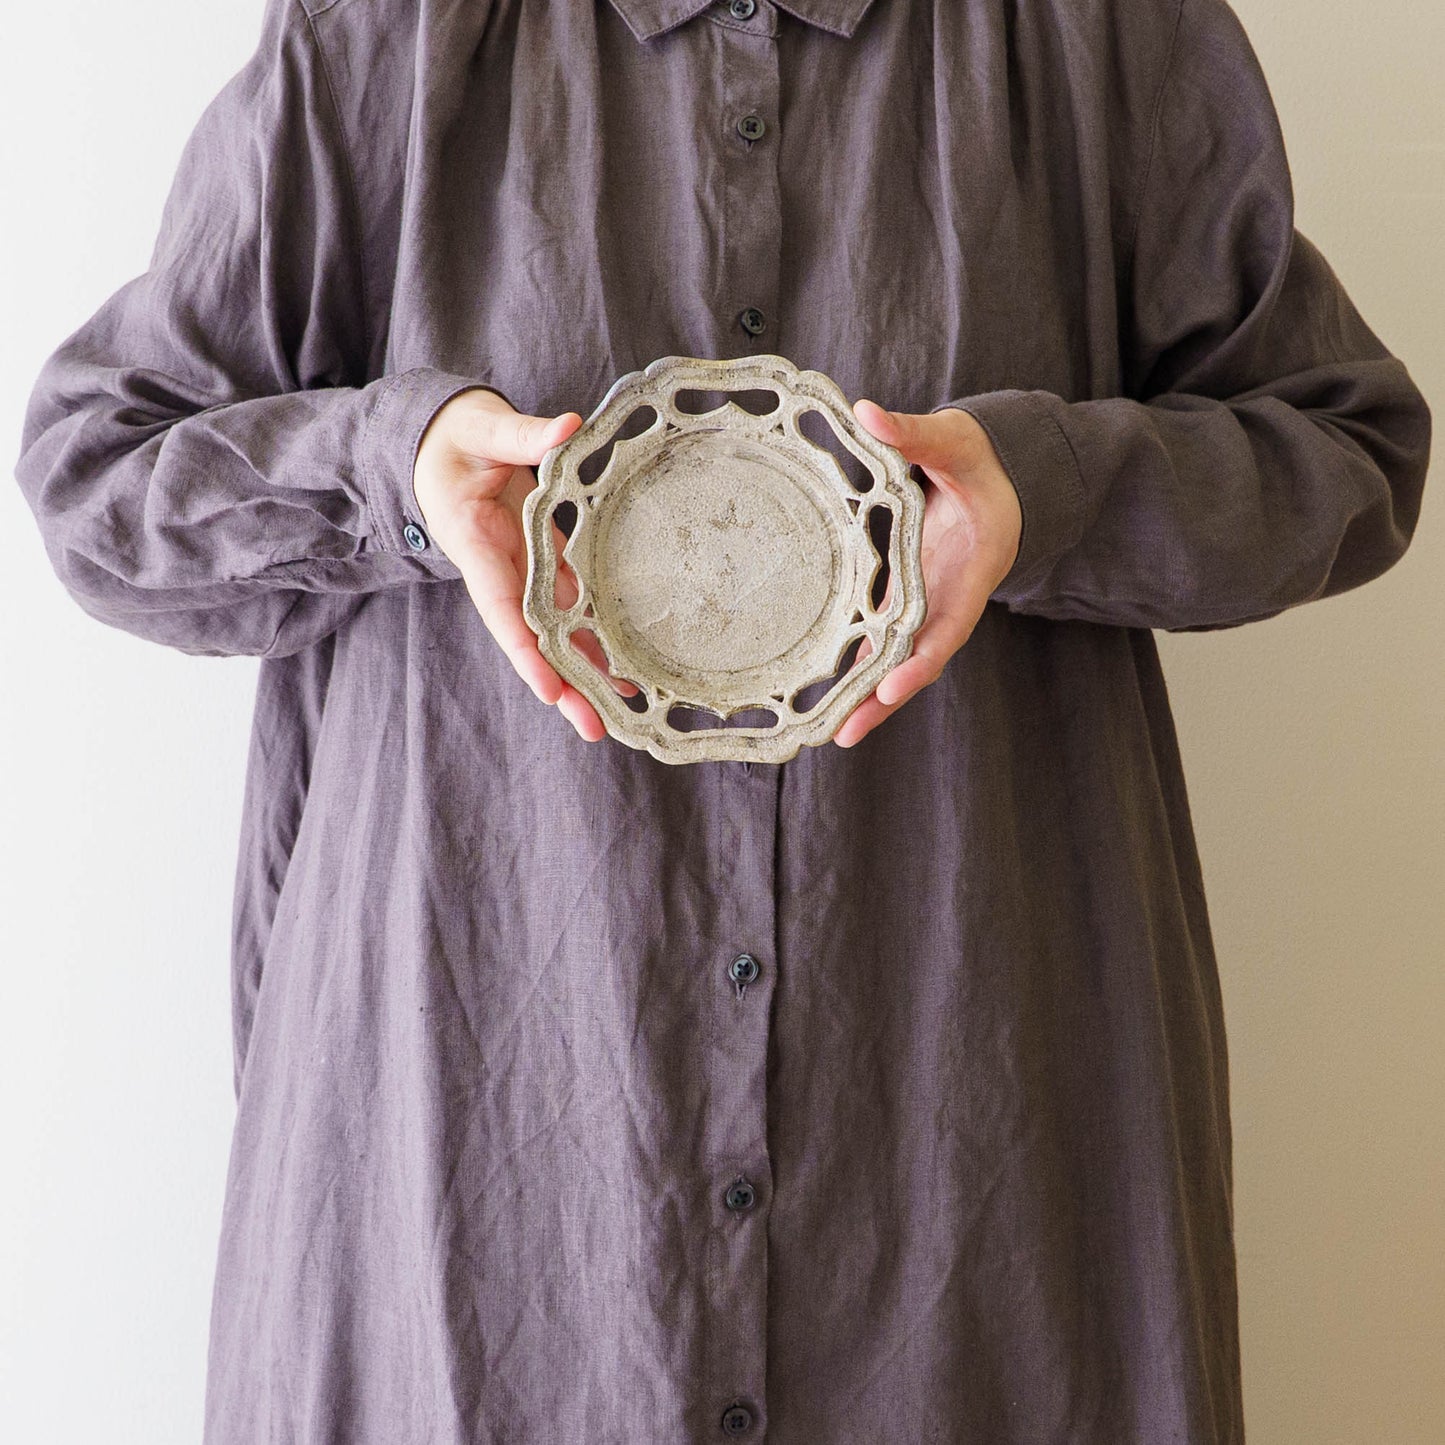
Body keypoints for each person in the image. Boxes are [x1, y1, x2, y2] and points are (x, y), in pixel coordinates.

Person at [13, 0, 1431, 1439]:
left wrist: (1048, 488)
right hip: (482, 1174)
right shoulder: (394, 35)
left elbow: (1344, 446)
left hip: (965, 1162)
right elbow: (100, 474)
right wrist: (394, 465)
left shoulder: (1096, 34)